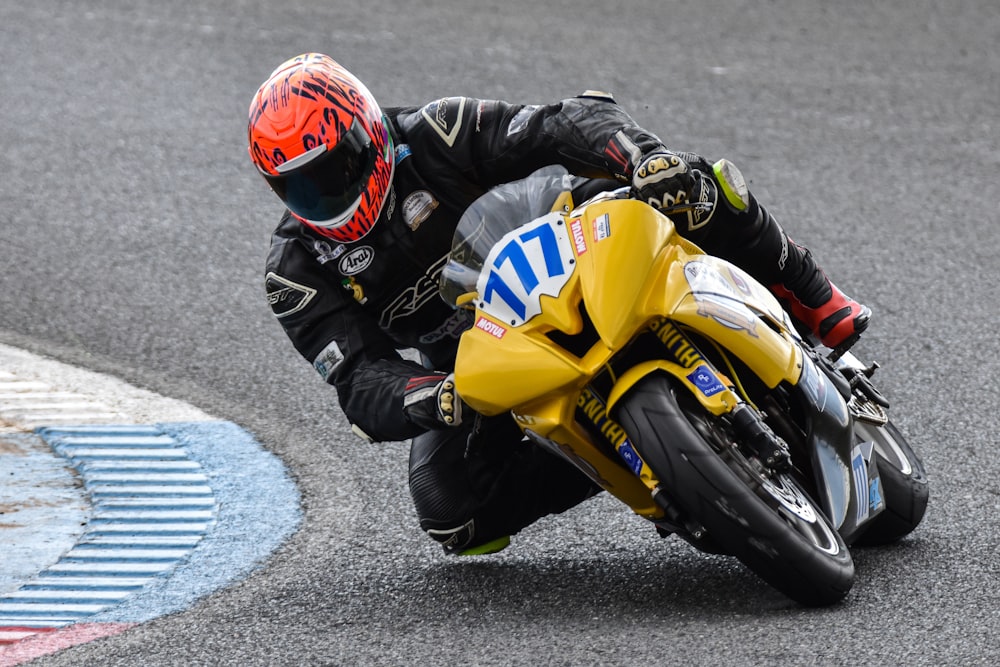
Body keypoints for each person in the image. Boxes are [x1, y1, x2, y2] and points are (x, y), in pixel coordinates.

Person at [249, 53, 870, 556]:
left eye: (336, 169)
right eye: (300, 184)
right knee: (451, 513)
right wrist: (431, 395)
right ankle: (627, 456)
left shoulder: (438, 132)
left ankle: (813, 295)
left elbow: (563, 121)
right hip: (489, 348)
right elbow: (359, 381)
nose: (326, 194)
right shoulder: (295, 272)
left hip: (581, 241)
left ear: (367, 131)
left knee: (696, 186)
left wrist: (641, 155)